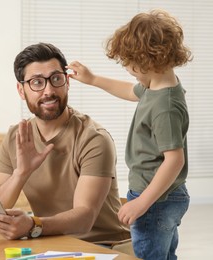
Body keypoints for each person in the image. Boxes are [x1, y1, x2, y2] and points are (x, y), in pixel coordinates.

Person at [67, 9, 192, 259]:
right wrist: (92, 79)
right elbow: (130, 91)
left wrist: (142, 202)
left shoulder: (164, 107)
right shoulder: (157, 85)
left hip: (156, 200)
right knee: (164, 254)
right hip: (165, 195)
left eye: (131, 66)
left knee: (148, 255)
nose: (129, 71)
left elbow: (174, 160)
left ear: (148, 61)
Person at [0, 42, 130, 244]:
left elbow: (85, 218)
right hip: (51, 241)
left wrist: (33, 225)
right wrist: (21, 173)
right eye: (36, 82)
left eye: (56, 79)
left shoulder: (93, 138)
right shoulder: (16, 137)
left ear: (67, 82)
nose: (49, 90)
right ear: (21, 90)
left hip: (104, 245)